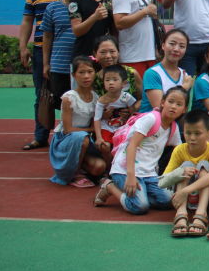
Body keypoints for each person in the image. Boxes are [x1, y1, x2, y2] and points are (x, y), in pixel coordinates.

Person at [94, 86, 188, 214]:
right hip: (125, 170)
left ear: (184, 110)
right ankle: (109, 186)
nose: (173, 106)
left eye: (179, 104)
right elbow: (131, 145)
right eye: (170, 101)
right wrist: (131, 176)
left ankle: (137, 195)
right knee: (140, 206)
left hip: (149, 173)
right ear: (162, 102)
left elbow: (180, 151)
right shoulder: (151, 119)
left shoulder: (173, 128)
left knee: (168, 200)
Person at [20, 0, 66, 150]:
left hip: (65, 53)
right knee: (42, 94)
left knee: (67, 95)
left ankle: (66, 135)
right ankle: (40, 136)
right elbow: (27, 21)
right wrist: (23, 46)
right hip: (40, 51)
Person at [159, 109, 209, 237]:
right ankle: (181, 214)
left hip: (205, 193)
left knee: (204, 166)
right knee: (186, 166)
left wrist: (185, 191)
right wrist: (180, 172)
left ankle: (201, 214)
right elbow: (162, 181)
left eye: (197, 133)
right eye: (188, 133)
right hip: (183, 196)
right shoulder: (179, 150)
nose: (192, 138)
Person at [49, 56, 104, 187]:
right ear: (74, 75)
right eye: (81, 72)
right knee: (82, 138)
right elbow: (68, 130)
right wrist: (91, 131)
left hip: (84, 142)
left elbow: (94, 121)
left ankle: (82, 165)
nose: (86, 76)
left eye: (90, 72)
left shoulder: (96, 98)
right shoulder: (69, 98)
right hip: (66, 139)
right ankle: (75, 173)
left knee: (100, 167)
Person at [41, 0, 83, 112]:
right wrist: (46, 63)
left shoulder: (89, 6)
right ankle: (64, 132)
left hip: (84, 65)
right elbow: (47, 36)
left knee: (84, 103)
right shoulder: (52, 8)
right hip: (60, 65)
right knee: (62, 103)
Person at [93, 64, 138, 166]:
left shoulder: (127, 97)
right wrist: (99, 137)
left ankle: (122, 167)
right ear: (103, 82)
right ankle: (109, 168)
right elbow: (97, 119)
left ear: (123, 83)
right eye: (107, 80)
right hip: (107, 128)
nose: (111, 83)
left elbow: (133, 113)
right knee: (105, 146)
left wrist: (130, 128)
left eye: (115, 79)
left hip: (122, 129)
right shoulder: (102, 100)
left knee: (124, 147)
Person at [140, 29, 194, 113]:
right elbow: (161, 108)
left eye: (182, 46)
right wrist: (184, 88)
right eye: (172, 44)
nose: (176, 49)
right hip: (151, 123)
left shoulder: (184, 75)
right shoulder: (152, 73)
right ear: (163, 45)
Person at [92, 35, 142, 101]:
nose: (108, 56)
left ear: (118, 52)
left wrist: (134, 108)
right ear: (95, 54)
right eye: (103, 52)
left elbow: (144, 98)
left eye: (112, 51)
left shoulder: (131, 73)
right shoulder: (95, 80)